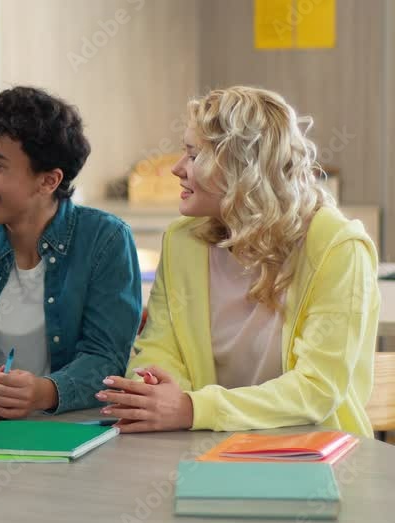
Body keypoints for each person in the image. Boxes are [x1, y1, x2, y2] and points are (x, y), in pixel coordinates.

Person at [100, 86, 379, 437]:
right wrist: (159, 392)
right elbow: (158, 347)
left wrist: (192, 408)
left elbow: (316, 390)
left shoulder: (337, 248)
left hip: (313, 450)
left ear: (242, 166)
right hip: (202, 443)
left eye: (193, 155)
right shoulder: (183, 241)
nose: (177, 168)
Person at [0, 86, 142, 419]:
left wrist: (43, 393)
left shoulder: (106, 240)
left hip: (74, 427)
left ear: (48, 181)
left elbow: (106, 358)